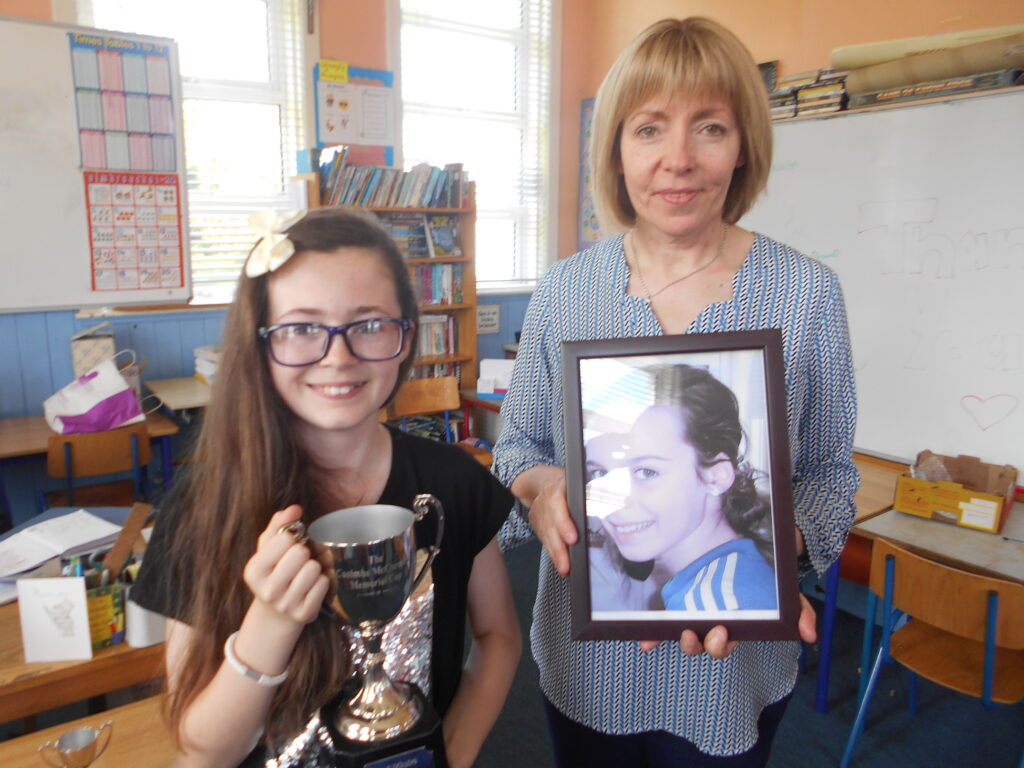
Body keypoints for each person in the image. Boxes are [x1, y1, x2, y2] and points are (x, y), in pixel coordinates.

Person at [493, 16, 858, 767]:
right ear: (617, 149)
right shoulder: (566, 291)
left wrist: (767, 551)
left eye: (711, 127)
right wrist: (545, 489)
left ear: (744, 145)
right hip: (589, 661)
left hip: (732, 667)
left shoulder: (806, 295)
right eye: (650, 128)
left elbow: (830, 471)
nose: (679, 159)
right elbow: (518, 448)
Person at [132, 208, 521, 768]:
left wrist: (454, 753)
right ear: (260, 343)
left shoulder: (454, 482)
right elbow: (205, 748)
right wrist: (272, 620)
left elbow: (498, 636)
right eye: (301, 328)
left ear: (407, 336)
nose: (338, 357)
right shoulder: (203, 508)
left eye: (370, 324)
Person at [597, 364, 776, 613]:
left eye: (647, 472)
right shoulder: (735, 571)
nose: (613, 500)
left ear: (716, 477)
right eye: (601, 474)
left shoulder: (711, 605)